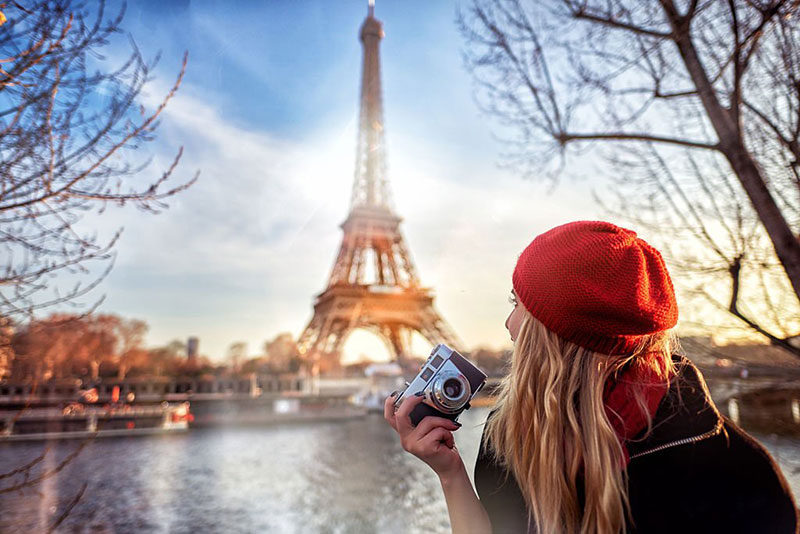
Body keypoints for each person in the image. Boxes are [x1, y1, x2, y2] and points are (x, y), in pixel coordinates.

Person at [384, 220, 798, 534]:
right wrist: (450, 473)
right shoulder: (506, 434)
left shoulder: (736, 475)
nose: (508, 324)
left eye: (520, 305)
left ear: (558, 336)